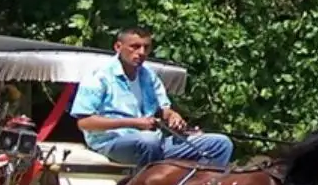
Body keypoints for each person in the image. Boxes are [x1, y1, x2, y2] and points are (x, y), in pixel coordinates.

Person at [72, 27, 232, 167]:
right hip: (113, 143)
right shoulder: (99, 75)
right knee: (148, 141)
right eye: (135, 47)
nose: (141, 52)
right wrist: (134, 123)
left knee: (220, 144)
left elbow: (164, 110)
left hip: (154, 141)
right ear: (118, 47)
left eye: (146, 47)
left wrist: (173, 117)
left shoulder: (148, 75)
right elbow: (84, 122)